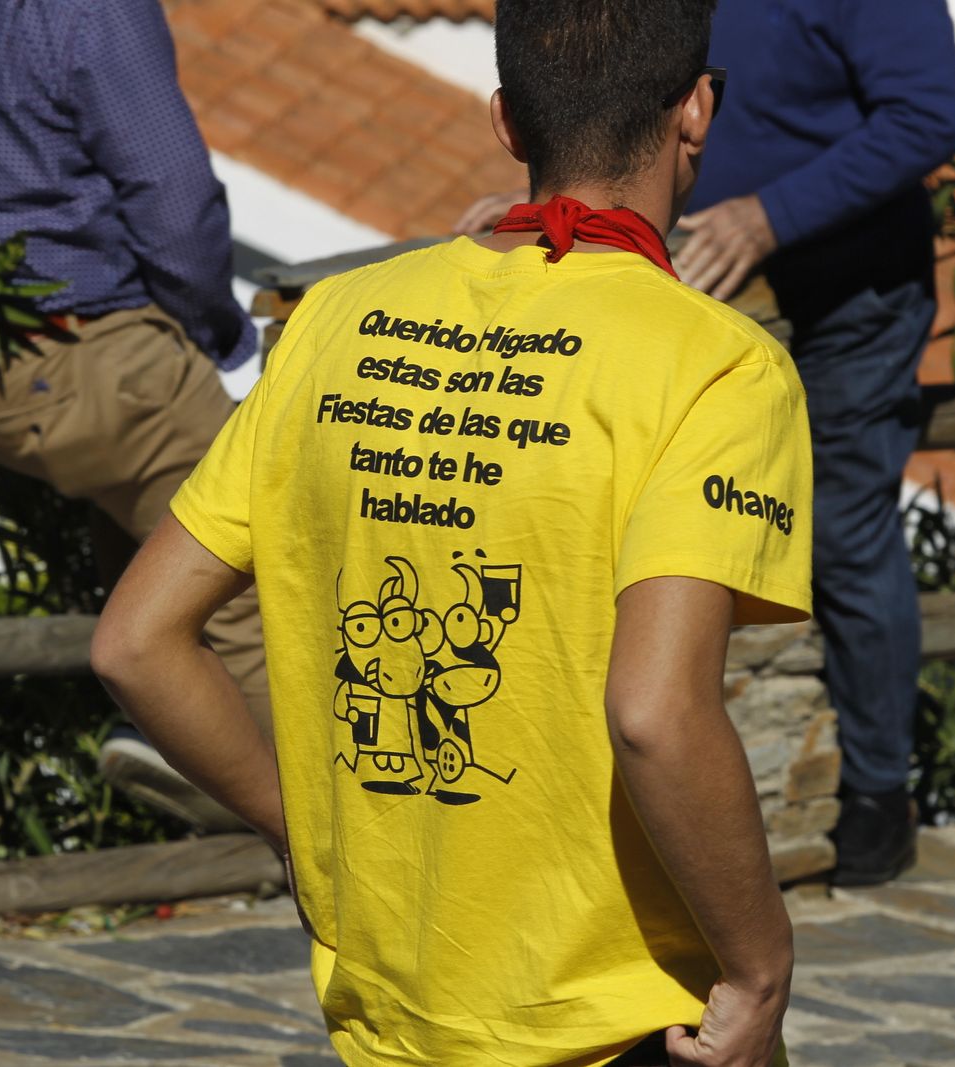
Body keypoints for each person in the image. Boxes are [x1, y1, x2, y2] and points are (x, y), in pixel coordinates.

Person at [91, 0, 812, 1061]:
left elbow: (134, 641)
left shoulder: (333, 321)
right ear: (695, 109)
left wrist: (308, 831)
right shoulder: (717, 364)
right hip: (623, 1019)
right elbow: (655, 709)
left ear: (505, 123)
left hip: (393, 1009)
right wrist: (759, 967)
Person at [458, 0, 955, 887]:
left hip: (853, 294)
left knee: (842, 529)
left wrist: (768, 219)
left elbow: (928, 116)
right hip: (692, 276)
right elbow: (609, 92)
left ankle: (881, 794)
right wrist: (564, 200)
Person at [0, 0, 266, 831]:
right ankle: (320, 844)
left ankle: (163, 728)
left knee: (156, 518)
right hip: (64, 346)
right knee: (263, 568)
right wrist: (216, 331)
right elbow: (173, 195)